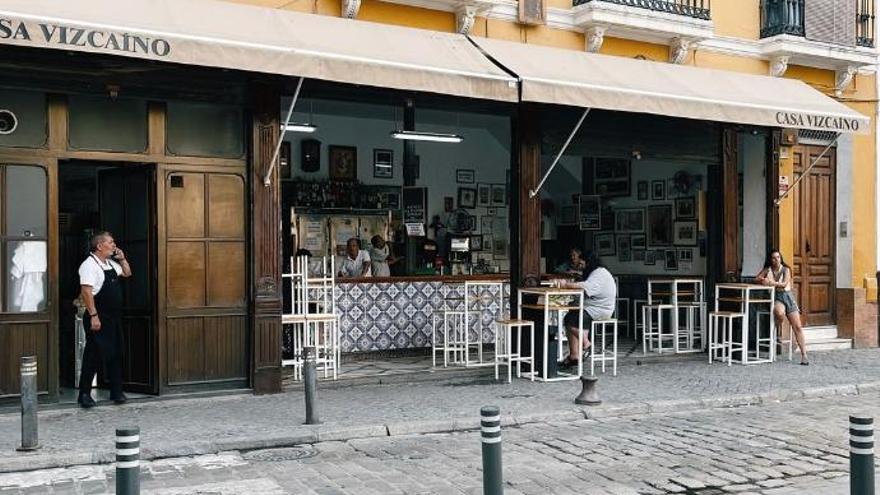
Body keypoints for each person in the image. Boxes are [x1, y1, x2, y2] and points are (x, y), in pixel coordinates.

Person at [77, 231, 132, 408]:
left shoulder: (111, 264)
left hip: (113, 317)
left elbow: (127, 273)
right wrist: (94, 316)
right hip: (98, 316)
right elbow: (86, 292)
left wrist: (122, 259)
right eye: (111, 242)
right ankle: (84, 394)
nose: (114, 245)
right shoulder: (89, 265)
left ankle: (116, 391)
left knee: (116, 353)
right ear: (100, 246)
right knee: (93, 354)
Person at [554, 251, 616, 368]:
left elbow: (586, 287)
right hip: (593, 307)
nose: (581, 267)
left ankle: (586, 344)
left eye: (582, 264)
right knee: (571, 316)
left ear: (589, 263)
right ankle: (574, 356)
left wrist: (566, 285)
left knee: (571, 319)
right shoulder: (596, 272)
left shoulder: (599, 273)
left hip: (600, 309)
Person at [755, 249, 809, 365]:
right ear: (770, 260)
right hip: (776, 297)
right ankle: (778, 330)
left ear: (781, 258)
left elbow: (784, 284)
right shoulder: (768, 269)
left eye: (778, 257)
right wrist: (762, 280)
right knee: (779, 312)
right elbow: (756, 278)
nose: (776, 260)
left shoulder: (786, 269)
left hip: (788, 296)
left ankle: (804, 355)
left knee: (798, 326)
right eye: (774, 258)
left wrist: (770, 283)